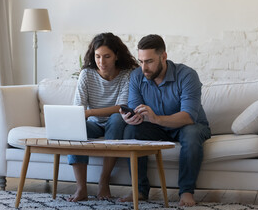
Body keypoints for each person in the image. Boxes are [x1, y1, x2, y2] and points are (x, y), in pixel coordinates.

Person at [119, 34, 211, 207]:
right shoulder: (137, 76)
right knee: (131, 131)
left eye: (149, 61)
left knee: (191, 134)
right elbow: (136, 109)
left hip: (188, 125)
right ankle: (139, 190)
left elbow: (189, 116)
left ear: (164, 57)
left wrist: (157, 119)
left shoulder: (187, 75)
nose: (144, 67)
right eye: (140, 61)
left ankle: (186, 192)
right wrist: (130, 118)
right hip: (156, 127)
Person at [67, 32, 138, 202]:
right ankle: (81, 188)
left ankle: (104, 181)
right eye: (98, 56)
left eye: (107, 56)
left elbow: (121, 108)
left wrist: (90, 112)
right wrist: (82, 116)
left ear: (116, 56)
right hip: (94, 124)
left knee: (116, 119)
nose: (101, 62)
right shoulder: (87, 74)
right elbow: (79, 108)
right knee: (77, 128)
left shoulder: (127, 74)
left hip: (115, 122)